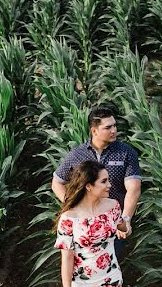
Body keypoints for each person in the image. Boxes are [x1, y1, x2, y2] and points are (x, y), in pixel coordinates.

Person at [52, 106, 142, 257]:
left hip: (113, 222)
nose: (114, 130)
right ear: (94, 131)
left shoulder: (126, 153)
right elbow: (57, 182)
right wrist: (73, 204)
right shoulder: (77, 154)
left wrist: (125, 220)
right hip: (84, 223)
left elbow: (134, 188)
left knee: (110, 263)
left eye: (114, 125)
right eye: (108, 127)